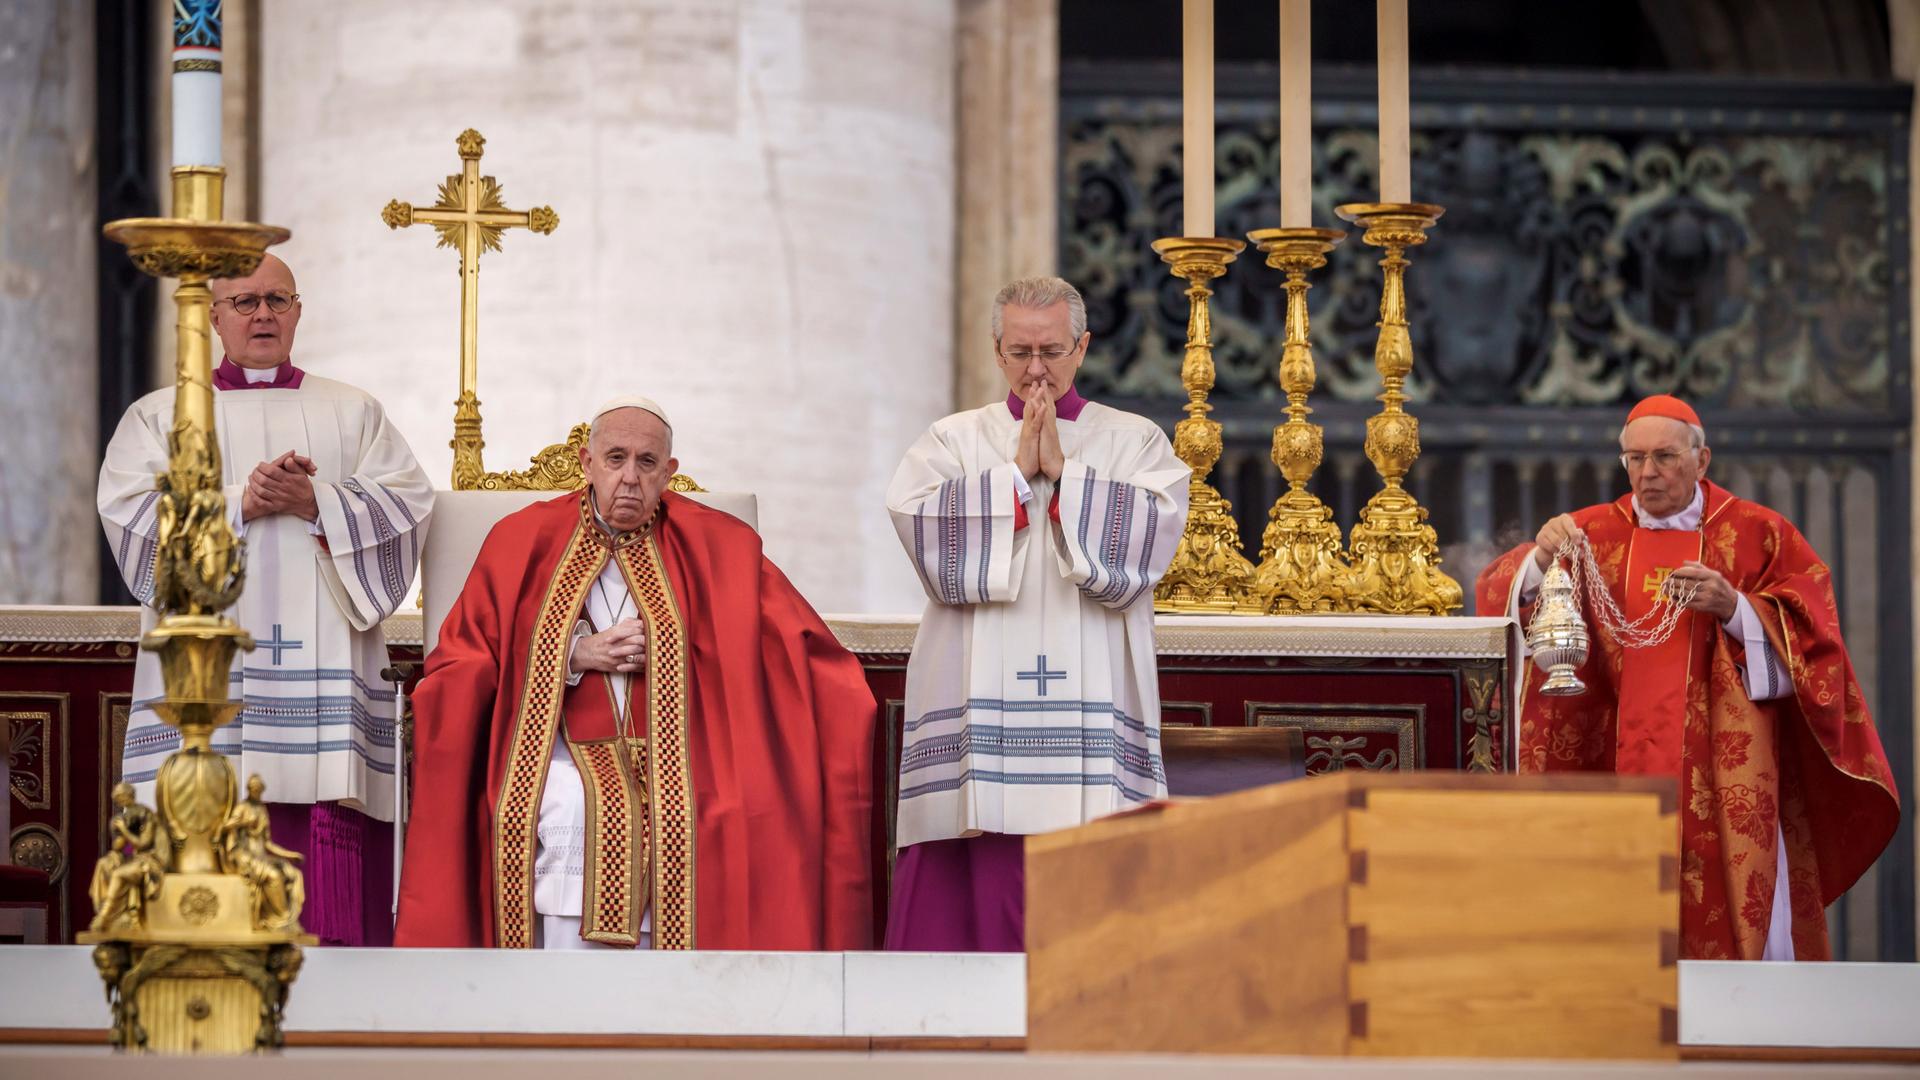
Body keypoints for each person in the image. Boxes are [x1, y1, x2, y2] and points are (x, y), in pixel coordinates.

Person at [395, 398, 875, 950]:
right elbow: (464, 657)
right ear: (587, 462)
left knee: (715, 810)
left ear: (669, 473)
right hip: (557, 748)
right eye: (615, 458)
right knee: (570, 799)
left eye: (647, 463)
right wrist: (572, 654)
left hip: (691, 750)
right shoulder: (521, 539)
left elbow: (792, 646)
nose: (629, 478)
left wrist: (685, 652)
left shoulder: (721, 546)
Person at [1476, 394, 1899, 960]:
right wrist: (1535, 561)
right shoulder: (1588, 535)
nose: (1647, 473)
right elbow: (1500, 602)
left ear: (1702, 461)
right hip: (1611, 768)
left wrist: (1738, 610)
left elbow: (1815, 644)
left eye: (1664, 457)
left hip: (1722, 777)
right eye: (1633, 459)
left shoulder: (1758, 534)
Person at [98, 253, 432, 947]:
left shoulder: (353, 411)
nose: (263, 315)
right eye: (245, 302)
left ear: (299, 312)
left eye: (277, 300)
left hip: (325, 671)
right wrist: (239, 503)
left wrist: (321, 502)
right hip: (206, 670)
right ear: (213, 317)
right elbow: (129, 517)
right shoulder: (159, 417)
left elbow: (408, 506)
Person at [883, 276, 1189, 951]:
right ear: (996, 350)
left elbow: (1150, 543)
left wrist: (1065, 482)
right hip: (980, 702)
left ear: (1082, 347)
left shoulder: (1134, 441)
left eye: (1051, 351)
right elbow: (920, 530)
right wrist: (1018, 481)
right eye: (1019, 352)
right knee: (975, 841)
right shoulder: (953, 441)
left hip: (1091, 707)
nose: (1035, 370)